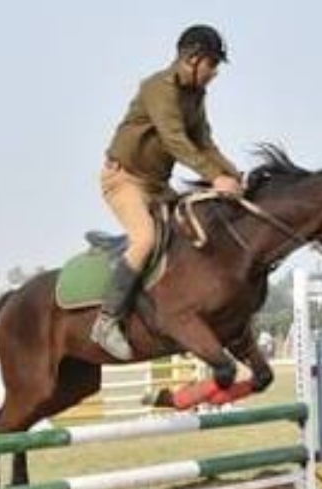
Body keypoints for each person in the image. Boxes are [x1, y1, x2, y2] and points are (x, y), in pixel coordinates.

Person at [91, 24, 244, 360]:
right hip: (124, 180)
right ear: (192, 59)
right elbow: (176, 141)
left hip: (157, 186)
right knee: (145, 239)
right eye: (213, 64)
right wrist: (214, 178)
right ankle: (107, 320)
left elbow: (205, 143)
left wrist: (233, 175)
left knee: (196, 226)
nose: (215, 73)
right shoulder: (158, 88)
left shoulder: (196, 96)